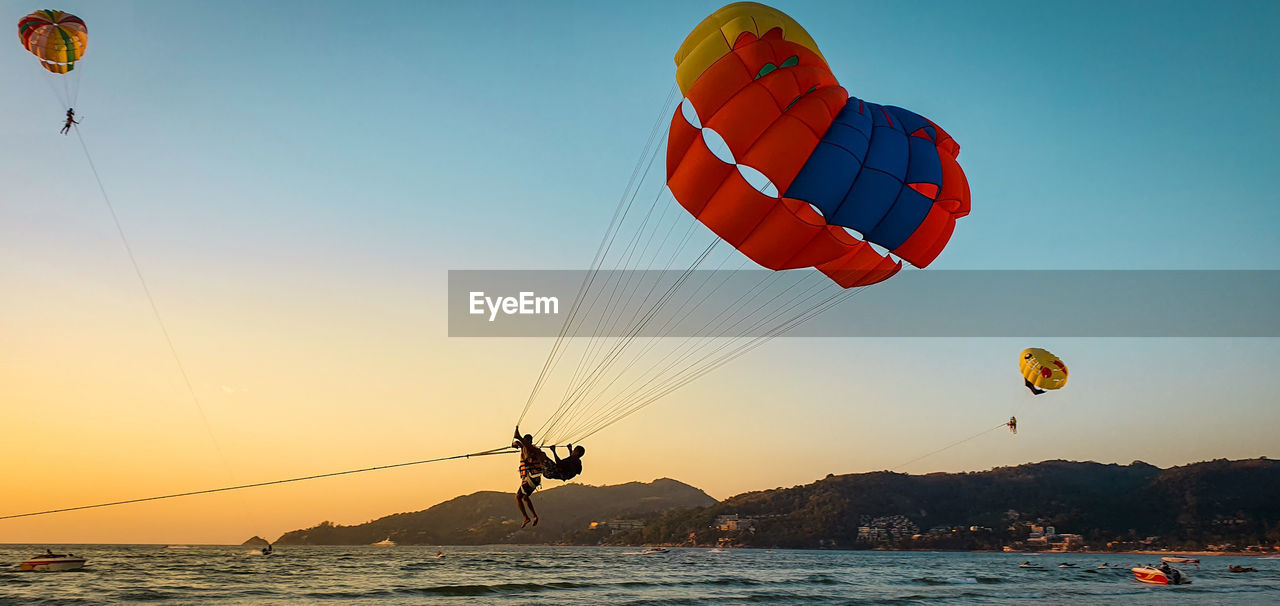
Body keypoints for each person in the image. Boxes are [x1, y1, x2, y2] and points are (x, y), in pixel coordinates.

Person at [512, 427, 551, 528]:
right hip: (534, 479)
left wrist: (516, 443)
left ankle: (526, 517)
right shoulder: (527, 448)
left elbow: (519, 444)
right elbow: (517, 443)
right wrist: (515, 444)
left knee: (517, 497)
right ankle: (534, 516)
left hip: (531, 478)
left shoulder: (530, 450)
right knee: (525, 497)